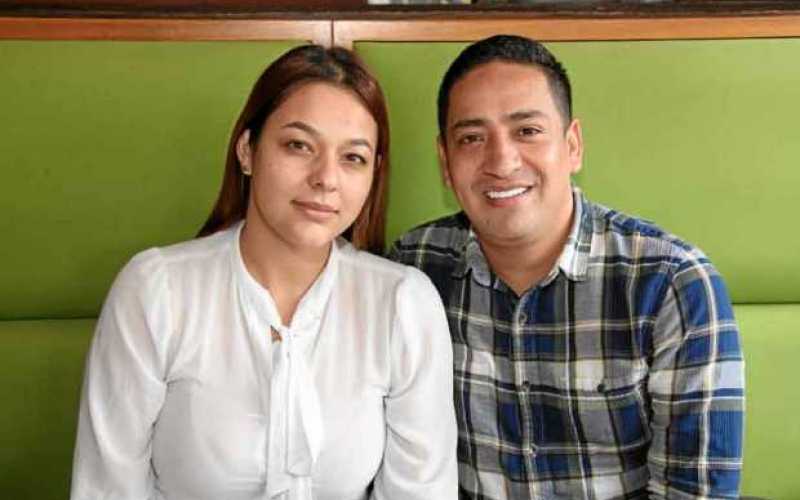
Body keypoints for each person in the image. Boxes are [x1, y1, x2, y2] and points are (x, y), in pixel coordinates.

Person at [71, 45, 458, 500]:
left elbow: (422, 491)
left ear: (373, 173)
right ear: (247, 151)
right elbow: (108, 489)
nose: (325, 178)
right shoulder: (156, 290)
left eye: (352, 157)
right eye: (298, 146)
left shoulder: (402, 302)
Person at [389, 35, 744, 499]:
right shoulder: (413, 271)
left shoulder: (670, 284)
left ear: (572, 145)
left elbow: (694, 491)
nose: (501, 160)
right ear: (445, 162)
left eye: (527, 131)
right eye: (472, 138)